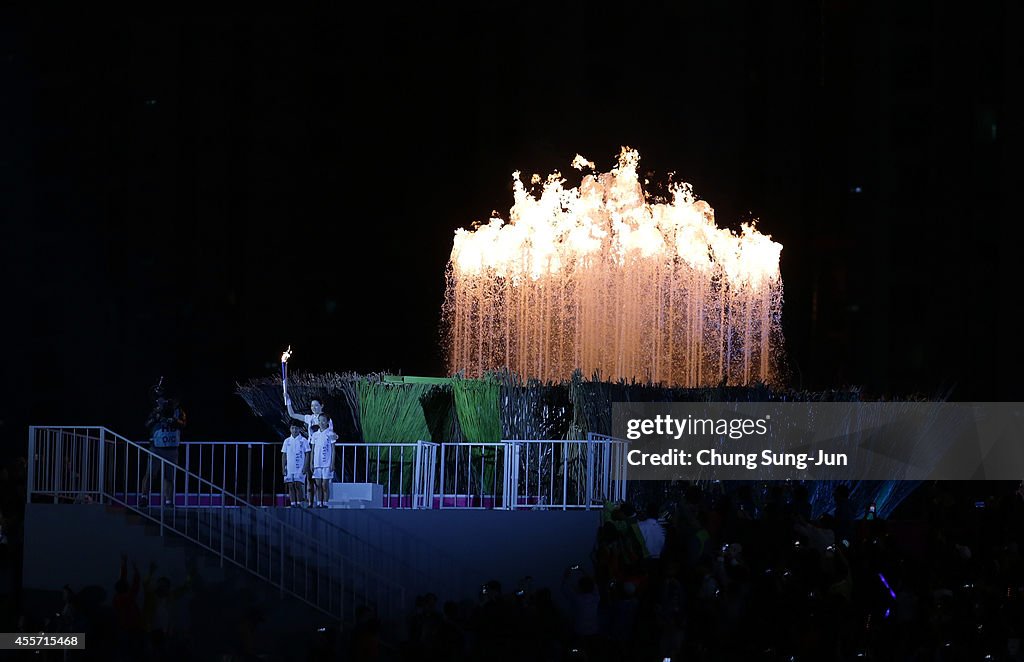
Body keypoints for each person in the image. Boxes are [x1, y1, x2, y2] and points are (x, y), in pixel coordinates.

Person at [141, 379, 186, 508]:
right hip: (156, 447)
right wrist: (157, 416)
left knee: (169, 477)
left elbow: (183, 424)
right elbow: (147, 425)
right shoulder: (156, 410)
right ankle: (144, 497)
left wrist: (174, 421)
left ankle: (168, 501)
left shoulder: (179, 412)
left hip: (172, 449)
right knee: (150, 474)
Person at [310, 414, 337, 508]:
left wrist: (332, 463)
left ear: (327, 422)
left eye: (323, 421)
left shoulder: (330, 434)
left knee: (324, 484)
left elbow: (333, 450)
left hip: (327, 464)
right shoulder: (315, 435)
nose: (321, 423)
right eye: (319, 421)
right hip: (317, 464)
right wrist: (311, 463)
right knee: (318, 485)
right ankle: (318, 503)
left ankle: (325, 503)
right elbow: (312, 450)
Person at [281, 423, 310, 507]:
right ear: (290, 429)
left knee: (298, 485)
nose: (294, 430)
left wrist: (305, 467)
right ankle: (292, 503)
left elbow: (307, 454)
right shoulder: (287, 441)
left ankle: (299, 503)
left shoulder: (303, 440)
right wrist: (283, 468)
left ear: (299, 429)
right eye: (293, 428)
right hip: (289, 467)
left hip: (300, 467)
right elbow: (284, 455)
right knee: (290, 485)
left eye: (296, 428)